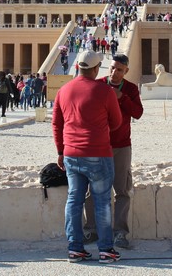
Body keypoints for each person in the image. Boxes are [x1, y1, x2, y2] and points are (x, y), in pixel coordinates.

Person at [52, 50, 122, 264]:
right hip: (98, 153)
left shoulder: (64, 90)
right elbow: (116, 122)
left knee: (74, 200)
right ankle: (106, 249)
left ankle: (75, 248)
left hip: (71, 154)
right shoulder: (105, 91)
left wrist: (60, 151)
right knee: (102, 202)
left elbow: (57, 124)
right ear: (96, 69)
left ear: (77, 67)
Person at [83, 53, 143, 250]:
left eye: (119, 70)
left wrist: (121, 98)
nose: (114, 72)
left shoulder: (130, 89)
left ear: (126, 71)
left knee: (122, 190)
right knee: (93, 189)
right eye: (112, 68)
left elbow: (138, 113)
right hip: (99, 145)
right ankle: (92, 229)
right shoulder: (98, 85)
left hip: (122, 145)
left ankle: (120, 232)